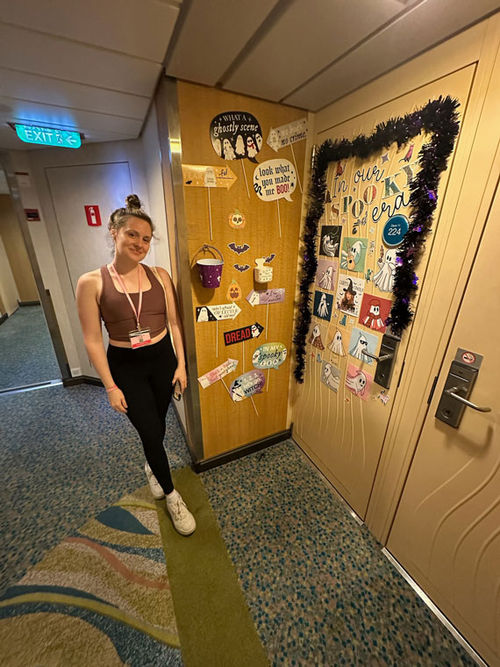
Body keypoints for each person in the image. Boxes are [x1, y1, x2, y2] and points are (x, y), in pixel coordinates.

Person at [76, 194, 195, 536]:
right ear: (114, 232)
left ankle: (151, 465)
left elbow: (174, 324)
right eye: (131, 234)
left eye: (145, 238)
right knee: (147, 428)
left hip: (161, 359)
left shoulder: (159, 275)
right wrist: (110, 386)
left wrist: (181, 366)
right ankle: (172, 495)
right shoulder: (92, 282)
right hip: (125, 364)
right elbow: (92, 339)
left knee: (157, 425)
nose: (139, 243)